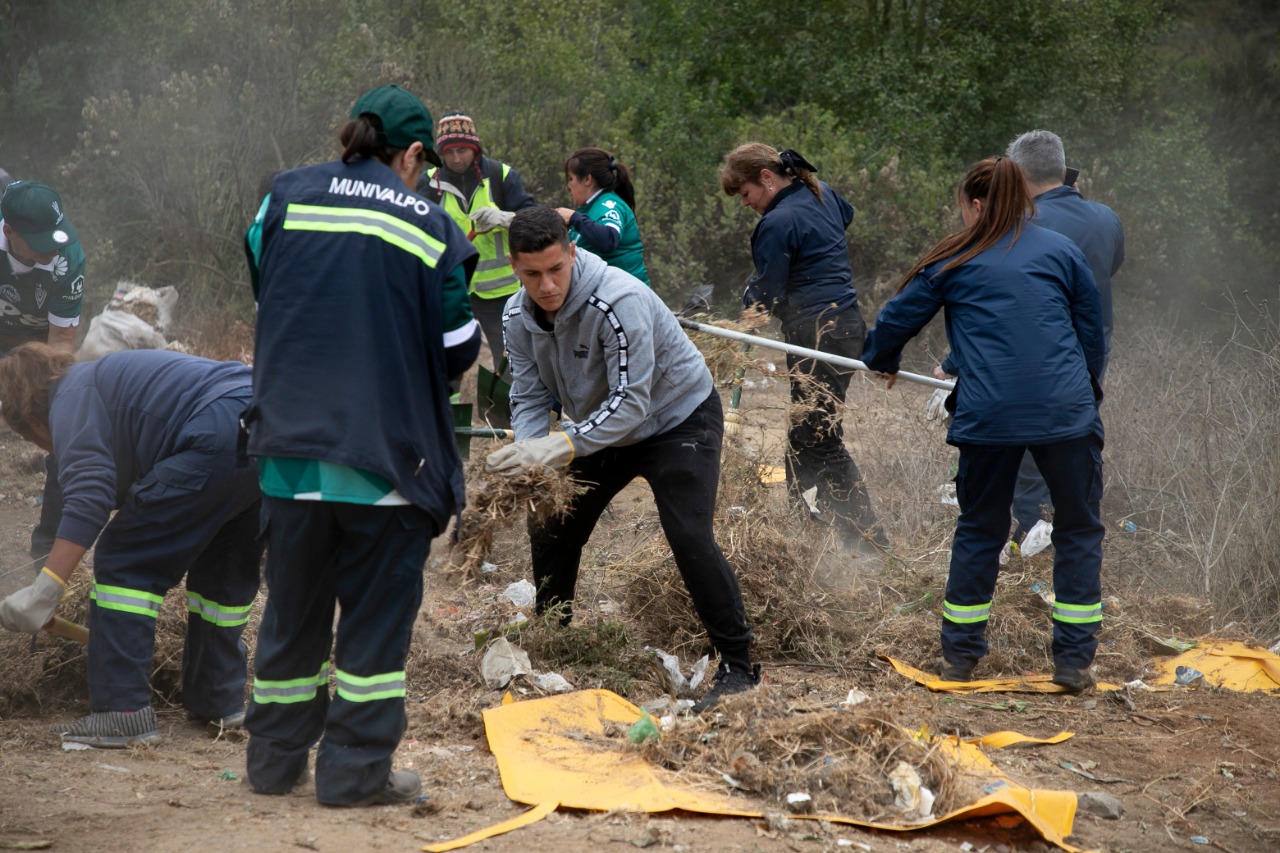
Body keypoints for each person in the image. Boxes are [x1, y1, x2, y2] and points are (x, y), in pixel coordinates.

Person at [242, 85, 480, 806]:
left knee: (291, 612)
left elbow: (266, 287)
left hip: (287, 456)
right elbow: (459, 347)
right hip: (385, 460)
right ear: (411, 153)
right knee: (373, 627)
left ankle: (273, 762)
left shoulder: (283, 195)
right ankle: (352, 773)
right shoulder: (431, 225)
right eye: (426, 164)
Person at [486, 207, 759, 712]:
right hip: (598, 428)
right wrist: (531, 454)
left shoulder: (619, 299)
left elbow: (632, 404)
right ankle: (553, 636)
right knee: (551, 521)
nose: (546, 285)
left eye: (555, 269)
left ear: (572, 252)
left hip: (677, 417)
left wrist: (560, 444)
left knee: (688, 535)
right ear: (513, 267)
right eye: (531, 274)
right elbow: (526, 395)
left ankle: (740, 666)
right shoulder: (514, 317)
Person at [860, 157, 1106, 692]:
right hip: (1066, 414)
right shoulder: (1062, 252)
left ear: (975, 205)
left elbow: (895, 318)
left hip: (989, 416)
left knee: (980, 530)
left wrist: (881, 359)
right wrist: (1088, 395)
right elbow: (1092, 332)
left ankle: (960, 658)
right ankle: (1073, 663)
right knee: (1078, 529)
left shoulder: (955, 257)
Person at [0, 345, 263, 746]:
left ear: (32, 421)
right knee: (223, 572)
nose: (45, 448)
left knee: (125, 560)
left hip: (211, 430)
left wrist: (45, 589)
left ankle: (122, 714)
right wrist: (45, 566)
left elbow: (89, 493)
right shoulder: (99, 386)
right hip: (265, 427)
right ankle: (220, 699)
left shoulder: (69, 399)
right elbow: (61, 499)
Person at [718, 143, 883, 553]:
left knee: (821, 438)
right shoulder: (819, 191)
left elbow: (767, 295)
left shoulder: (777, 222)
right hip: (845, 326)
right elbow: (846, 216)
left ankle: (868, 543)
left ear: (766, 178)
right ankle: (801, 531)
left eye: (746, 195)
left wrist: (749, 299)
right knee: (804, 434)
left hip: (817, 336)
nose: (747, 204)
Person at [1000, 130, 1125, 542]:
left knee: (1026, 456)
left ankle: (1031, 536)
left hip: (1035, 360)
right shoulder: (1106, 219)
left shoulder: (1021, 225)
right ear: (1062, 168)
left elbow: (998, 298)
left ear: (1017, 173)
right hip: (1091, 358)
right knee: (1078, 449)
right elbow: (1110, 268)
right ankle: (1075, 533)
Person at [1, 181, 87, 558]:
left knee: (61, 417)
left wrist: (51, 399)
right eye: (39, 242)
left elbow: (61, 344)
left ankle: (47, 550)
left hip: (38, 343)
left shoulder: (68, 255)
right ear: (10, 232)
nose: (52, 250)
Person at [417, 112, 537, 380]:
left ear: (475, 148)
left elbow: (536, 221)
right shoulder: (428, 183)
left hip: (499, 292)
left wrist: (505, 218)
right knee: (445, 356)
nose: (457, 158)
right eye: (449, 152)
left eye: (463, 150)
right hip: (450, 286)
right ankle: (446, 417)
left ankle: (507, 417)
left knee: (510, 359)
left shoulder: (501, 176)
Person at [555, 147, 650, 286]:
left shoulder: (609, 204)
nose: (568, 186)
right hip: (608, 294)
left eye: (571, 179)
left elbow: (608, 240)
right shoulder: (589, 209)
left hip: (627, 295)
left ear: (587, 179)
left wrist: (575, 218)